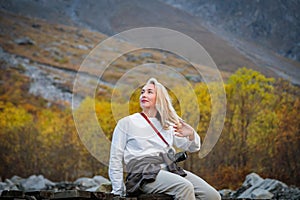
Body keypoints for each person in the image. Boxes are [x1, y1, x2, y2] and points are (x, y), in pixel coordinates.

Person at [109, 78, 221, 200]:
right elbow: (115, 158)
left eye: (149, 92)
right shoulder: (126, 123)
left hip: (170, 169)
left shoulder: (167, 123)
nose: (144, 95)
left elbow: (194, 147)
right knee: (184, 187)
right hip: (143, 174)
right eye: (142, 92)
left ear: (160, 98)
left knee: (212, 196)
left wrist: (191, 134)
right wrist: (118, 190)